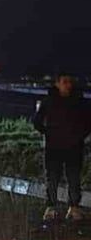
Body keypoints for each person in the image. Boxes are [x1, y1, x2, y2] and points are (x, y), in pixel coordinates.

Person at [32, 73, 90, 221]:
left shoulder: (79, 101)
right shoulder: (49, 101)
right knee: (52, 178)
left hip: (73, 146)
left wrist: (79, 136)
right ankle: (51, 207)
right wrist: (48, 133)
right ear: (57, 83)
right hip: (54, 146)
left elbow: (88, 122)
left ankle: (74, 207)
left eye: (69, 82)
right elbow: (37, 120)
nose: (68, 85)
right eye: (65, 82)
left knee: (74, 178)